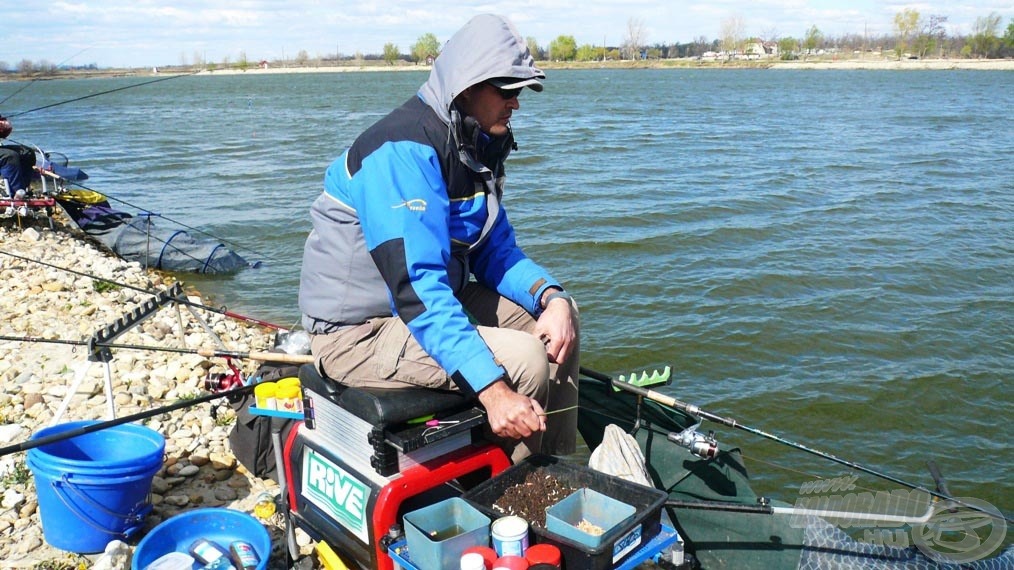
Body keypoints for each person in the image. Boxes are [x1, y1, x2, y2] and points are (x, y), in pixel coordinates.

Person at [298, 13, 579, 461]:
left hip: (422, 306)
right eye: (507, 91)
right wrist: (493, 391)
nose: (517, 104)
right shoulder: (401, 152)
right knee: (526, 357)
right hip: (360, 333)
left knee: (560, 322)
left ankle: (555, 463)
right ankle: (515, 494)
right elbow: (417, 288)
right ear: (468, 87)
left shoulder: (472, 145)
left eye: (520, 91)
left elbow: (494, 251)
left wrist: (551, 296)